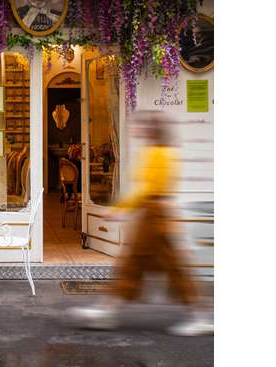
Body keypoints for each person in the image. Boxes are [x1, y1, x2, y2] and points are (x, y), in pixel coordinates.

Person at [68, 111, 212, 336]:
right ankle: (109, 310)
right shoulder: (163, 152)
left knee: (148, 265)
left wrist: (119, 210)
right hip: (155, 214)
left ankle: (108, 311)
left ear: (151, 130)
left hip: (154, 215)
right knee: (144, 266)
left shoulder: (157, 154)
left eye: (141, 126)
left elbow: (148, 189)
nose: (136, 129)